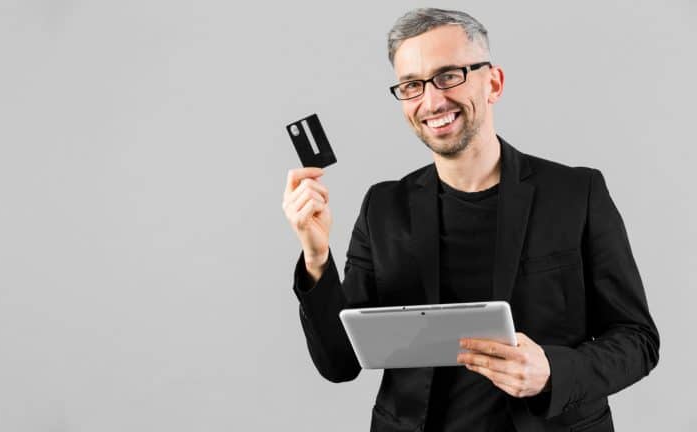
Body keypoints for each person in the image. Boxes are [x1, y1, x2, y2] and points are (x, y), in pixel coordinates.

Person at [281, 8, 659, 432]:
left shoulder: (576, 193)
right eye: (412, 85)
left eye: (449, 76)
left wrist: (552, 370)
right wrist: (315, 258)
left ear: (493, 82)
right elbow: (340, 362)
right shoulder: (383, 207)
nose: (432, 100)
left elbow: (638, 341)